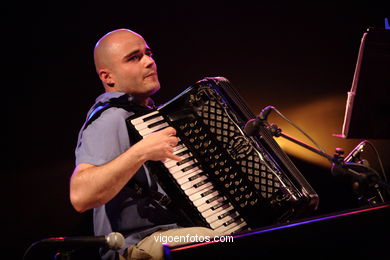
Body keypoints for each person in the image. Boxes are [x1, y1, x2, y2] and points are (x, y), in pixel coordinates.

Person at [70, 29, 220, 260]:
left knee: (246, 236)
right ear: (108, 77)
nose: (149, 62)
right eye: (134, 58)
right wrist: (141, 151)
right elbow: (81, 196)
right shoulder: (110, 119)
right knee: (209, 241)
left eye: (148, 53)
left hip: (176, 233)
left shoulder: (147, 115)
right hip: (139, 243)